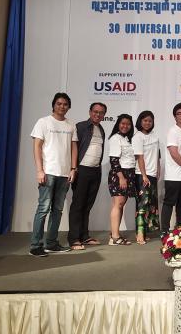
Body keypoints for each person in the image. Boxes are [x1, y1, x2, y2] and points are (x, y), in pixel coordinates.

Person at [29, 92, 78, 257]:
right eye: (59, 103)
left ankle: (51, 243)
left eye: (65, 104)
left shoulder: (71, 125)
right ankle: (35, 245)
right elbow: (37, 147)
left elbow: (74, 148)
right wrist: (39, 170)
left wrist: (73, 169)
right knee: (43, 209)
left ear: (68, 107)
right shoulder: (43, 122)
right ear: (53, 105)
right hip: (48, 172)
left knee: (57, 210)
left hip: (64, 174)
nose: (62, 106)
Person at [68, 102, 107, 251]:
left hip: (95, 171)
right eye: (95, 111)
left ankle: (84, 235)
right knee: (78, 205)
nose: (98, 114)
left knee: (88, 205)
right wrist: (73, 168)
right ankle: (73, 239)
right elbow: (73, 149)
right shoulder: (81, 126)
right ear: (90, 112)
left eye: (101, 112)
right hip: (82, 170)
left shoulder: (101, 129)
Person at [161, 102, 181, 235]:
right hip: (174, 175)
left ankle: (180, 228)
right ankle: (164, 230)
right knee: (169, 203)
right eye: (179, 114)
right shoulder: (173, 131)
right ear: (175, 117)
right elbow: (174, 152)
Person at [108, 114, 137, 246]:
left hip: (129, 173)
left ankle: (114, 234)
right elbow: (114, 160)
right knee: (118, 204)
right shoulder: (115, 138)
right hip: (120, 174)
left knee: (120, 204)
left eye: (128, 124)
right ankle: (114, 237)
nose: (125, 126)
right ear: (118, 124)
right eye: (122, 123)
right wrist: (121, 178)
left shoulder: (127, 139)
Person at [133, 110, 160, 245]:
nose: (148, 123)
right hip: (142, 175)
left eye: (150, 120)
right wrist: (144, 175)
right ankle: (139, 233)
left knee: (150, 205)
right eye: (145, 120)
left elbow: (157, 156)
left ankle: (144, 232)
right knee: (142, 205)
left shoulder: (155, 136)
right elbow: (140, 157)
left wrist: (158, 171)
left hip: (153, 174)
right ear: (140, 121)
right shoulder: (137, 137)